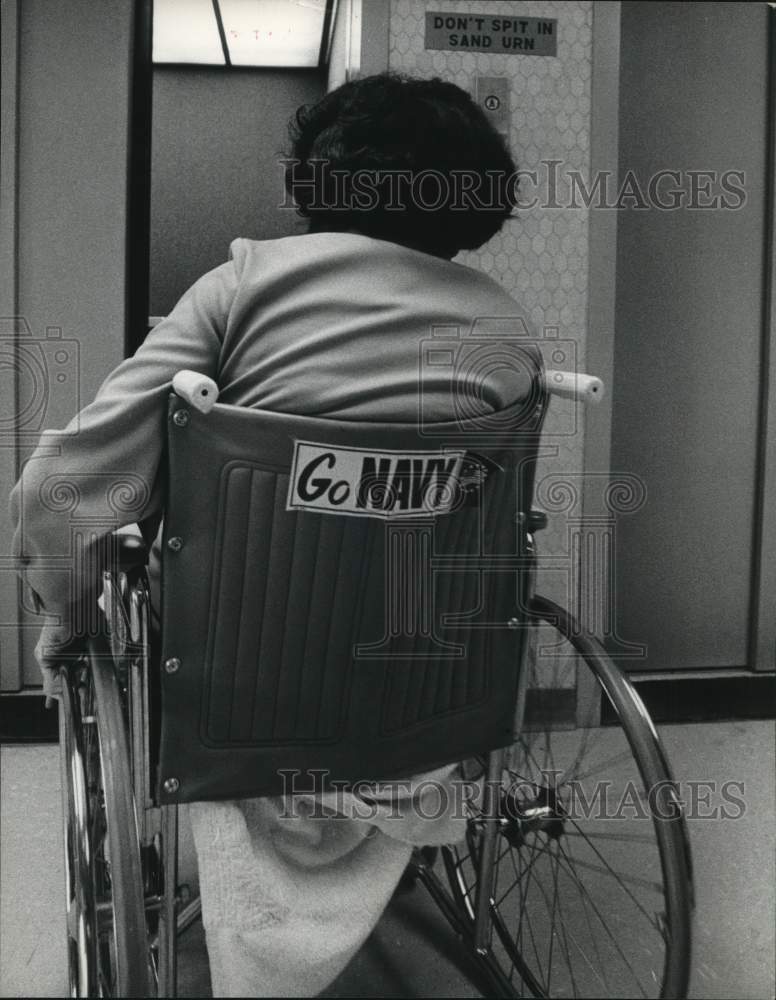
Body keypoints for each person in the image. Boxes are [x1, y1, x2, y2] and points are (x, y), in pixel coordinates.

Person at [11, 73, 537, 996]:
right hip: (431, 709)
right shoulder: (507, 328)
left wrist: (67, 618)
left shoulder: (240, 287)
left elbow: (63, 494)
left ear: (318, 180)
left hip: (239, 704)